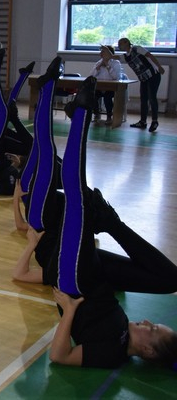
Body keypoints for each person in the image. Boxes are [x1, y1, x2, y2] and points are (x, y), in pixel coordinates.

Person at [42, 77, 177, 369]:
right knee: (171, 279)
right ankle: (110, 222)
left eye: (153, 329)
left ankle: (82, 114)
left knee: (78, 196)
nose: (147, 321)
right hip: (97, 275)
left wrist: (68, 312)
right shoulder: (123, 330)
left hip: (72, 281)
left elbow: (60, 356)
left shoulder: (113, 353)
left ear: (148, 350)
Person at [117, 37, 165, 132]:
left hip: (153, 75)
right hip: (144, 78)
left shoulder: (137, 49)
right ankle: (143, 121)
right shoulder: (126, 56)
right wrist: (106, 51)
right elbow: (114, 57)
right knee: (143, 99)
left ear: (126, 42)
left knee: (152, 98)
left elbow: (150, 56)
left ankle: (154, 121)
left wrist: (159, 66)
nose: (119, 46)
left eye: (120, 44)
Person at [88, 44, 122, 125]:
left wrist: (107, 66)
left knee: (107, 98)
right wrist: (98, 68)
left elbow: (115, 77)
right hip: (99, 87)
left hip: (111, 88)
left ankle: (109, 117)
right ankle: (96, 114)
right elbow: (91, 76)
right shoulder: (98, 63)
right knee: (92, 96)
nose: (100, 54)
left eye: (103, 52)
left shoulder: (116, 63)